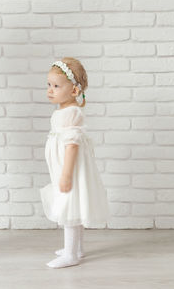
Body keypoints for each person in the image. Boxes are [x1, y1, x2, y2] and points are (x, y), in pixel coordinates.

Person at [40, 57, 109, 269]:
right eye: (49, 85)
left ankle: (71, 254)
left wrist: (67, 174)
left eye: (57, 86)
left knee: (69, 206)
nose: (50, 90)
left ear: (74, 91)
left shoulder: (71, 113)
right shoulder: (62, 111)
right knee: (72, 206)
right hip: (62, 167)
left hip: (69, 169)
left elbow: (72, 145)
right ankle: (77, 248)